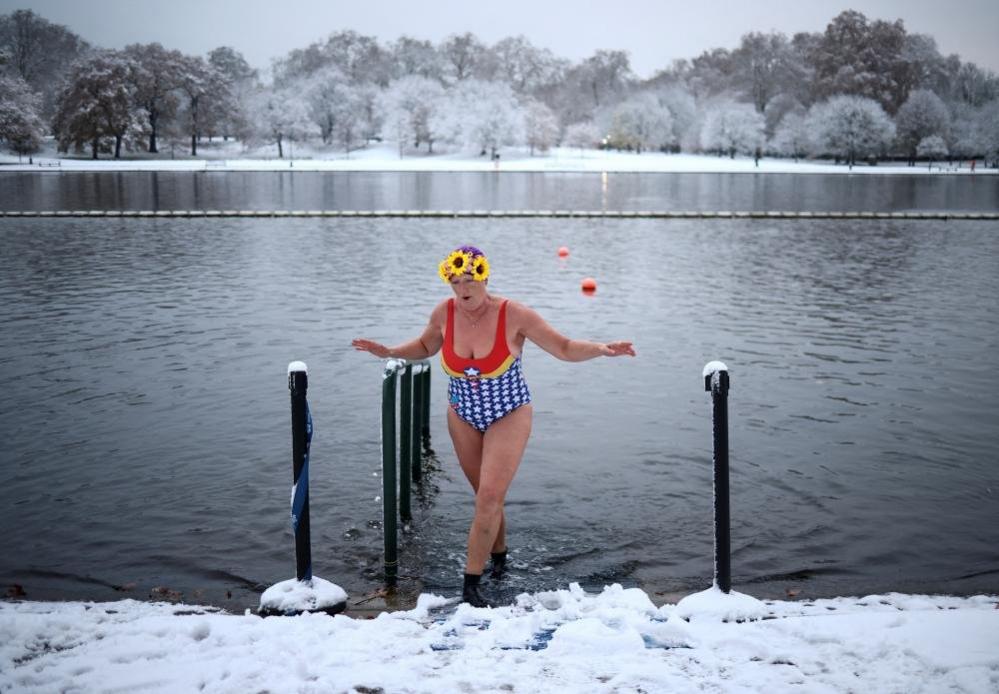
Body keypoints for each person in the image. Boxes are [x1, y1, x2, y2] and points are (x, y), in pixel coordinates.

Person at [352, 245, 635, 607]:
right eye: (455, 281)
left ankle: (470, 587)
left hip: (509, 413)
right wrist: (389, 351)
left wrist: (601, 348)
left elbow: (563, 348)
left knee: (488, 497)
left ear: (484, 277)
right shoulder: (444, 312)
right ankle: (500, 558)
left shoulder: (513, 314)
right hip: (462, 414)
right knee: (487, 497)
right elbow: (425, 345)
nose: (462, 288)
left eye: (469, 280)